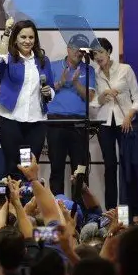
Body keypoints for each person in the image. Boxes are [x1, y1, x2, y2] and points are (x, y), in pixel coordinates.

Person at [0, 18, 54, 178]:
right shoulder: (8, 59)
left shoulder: (42, 60)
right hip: (10, 122)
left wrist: (49, 92)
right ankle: (14, 202)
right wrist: (7, 31)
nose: (27, 41)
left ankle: (26, 201)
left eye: (31, 37)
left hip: (35, 124)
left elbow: (51, 87)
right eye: (23, 37)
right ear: (15, 38)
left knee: (27, 167)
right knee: (13, 166)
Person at [91, 37, 138, 214]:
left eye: (101, 52)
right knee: (110, 166)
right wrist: (101, 96)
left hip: (125, 122)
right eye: (95, 53)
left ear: (109, 51)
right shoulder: (95, 75)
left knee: (128, 166)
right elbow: (93, 103)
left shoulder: (125, 69)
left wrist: (129, 115)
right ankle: (112, 211)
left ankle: (133, 213)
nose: (98, 56)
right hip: (105, 123)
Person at [46, 33, 96, 196]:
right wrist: (60, 82)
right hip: (55, 123)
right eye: (75, 48)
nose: (79, 52)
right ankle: (57, 211)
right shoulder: (52, 66)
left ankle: (80, 211)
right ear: (68, 48)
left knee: (80, 170)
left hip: (79, 123)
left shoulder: (89, 69)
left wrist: (75, 83)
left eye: (82, 50)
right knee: (57, 169)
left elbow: (89, 97)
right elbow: (44, 94)